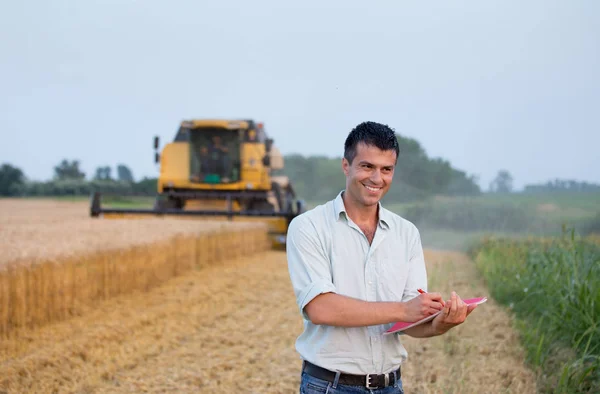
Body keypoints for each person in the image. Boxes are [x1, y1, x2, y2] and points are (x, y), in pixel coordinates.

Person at [286, 121, 478, 393]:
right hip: (329, 386)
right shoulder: (309, 227)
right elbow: (320, 308)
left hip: (391, 385)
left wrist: (441, 324)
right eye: (367, 166)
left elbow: (411, 323)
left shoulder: (407, 233)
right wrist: (404, 309)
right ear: (346, 165)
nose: (377, 179)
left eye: (386, 169)